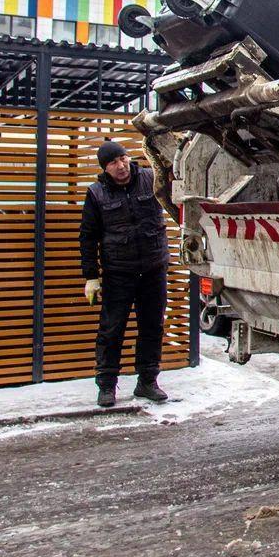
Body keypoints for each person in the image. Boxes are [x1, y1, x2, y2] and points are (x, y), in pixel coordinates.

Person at [79, 140, 171, 407]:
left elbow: (178, 199)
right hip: (119, 272)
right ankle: (107, 385)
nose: (121, 166)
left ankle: (148, 381)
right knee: (111, 330)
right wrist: (91, 276)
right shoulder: (96, 194)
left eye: (123, 158)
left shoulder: (151, 179)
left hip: (154, 268)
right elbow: (87, 237)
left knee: (152, 327)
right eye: (113, 163)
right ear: (105, 169)